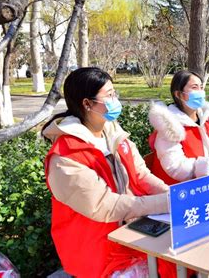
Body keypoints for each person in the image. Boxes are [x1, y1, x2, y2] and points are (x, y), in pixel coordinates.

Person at [42, 67, 170, 278]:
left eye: (114, 93)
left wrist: (172, 195)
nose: (115, 100)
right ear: (87, 103)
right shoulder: (64, 158)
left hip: (131, 230)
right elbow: (105, 206)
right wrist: (164, 202)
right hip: (97, 248)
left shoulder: (113, 133)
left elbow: (141, 174)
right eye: (109, 95)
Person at [147, 70, 209, 186]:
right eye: (194, 87)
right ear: (178, 94)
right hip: (178, 192)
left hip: (205, 184)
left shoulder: (204, 118)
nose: (200, 92)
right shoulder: (169, 127)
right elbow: (176, 167)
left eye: (201, 87)